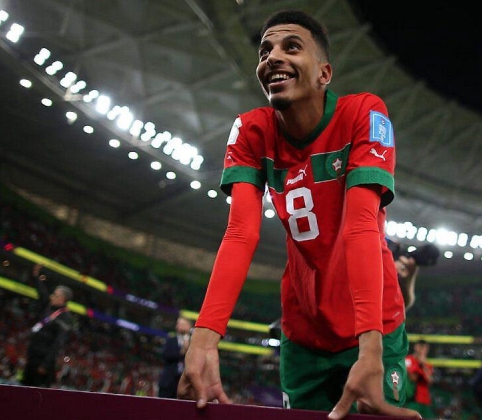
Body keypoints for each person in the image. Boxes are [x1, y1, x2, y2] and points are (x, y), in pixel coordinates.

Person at [177, 10, 418, 420]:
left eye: (291, 47)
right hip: (303, 331)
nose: (272, 57)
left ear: (324, 74)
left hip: (376, 324)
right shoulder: (250, 130)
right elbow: (240, 234)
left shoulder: (364, 113)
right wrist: (203, 341)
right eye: (265, 51)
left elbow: (360, 226)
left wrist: (370, 348)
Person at [20, 264, 74, 388]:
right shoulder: (49, 306)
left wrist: (45, 364)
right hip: (33, 354)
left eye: (55, 295)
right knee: (24, 387)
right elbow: (42, 292)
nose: (52, 296)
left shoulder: (65, 316)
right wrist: (35, 276)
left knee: (37, 390)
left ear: (62, 299)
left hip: (43, 360)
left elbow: (58, 343)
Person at [158, 316, 192, 398]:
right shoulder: (171, 340)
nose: (177, 326)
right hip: (169, 381)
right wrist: (182, 352)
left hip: (186, 382)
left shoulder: (194, 342)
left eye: (181, 324)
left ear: (188, 326)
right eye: (178, 324)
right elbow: (165, 355)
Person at [405, 340, 435, 418]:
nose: (424, 351)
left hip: (425, 400)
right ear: (416, 347)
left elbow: (430, 380)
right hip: (412, 400)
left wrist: (423, 365)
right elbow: (412, 377)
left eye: (426, 349)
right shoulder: (408, 360)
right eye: (422, 348)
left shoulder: (427, 364)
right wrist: (419, 364)